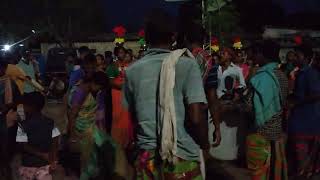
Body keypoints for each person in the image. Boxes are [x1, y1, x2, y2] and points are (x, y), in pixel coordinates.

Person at [123, 9, 209, 179]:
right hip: (181, 156)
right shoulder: (187, 65)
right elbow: (196, 116)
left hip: (146, 158)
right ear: (173, 37)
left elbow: (132, 117)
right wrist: (205, 145)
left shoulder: (132, 71)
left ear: (146, 38)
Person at [68, 71, 129, 179]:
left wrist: (102, 130)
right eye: (98, 86)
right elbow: (72, 115)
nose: (99, 89)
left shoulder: (97, 92)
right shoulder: (80, 92)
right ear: (92, 82)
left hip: (91, 126)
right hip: (81, 128)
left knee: (106, 148)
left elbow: (100, 114)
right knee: (88, 157)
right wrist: (72, 135)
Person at [244, 41, 288, 180]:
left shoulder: (261, 78)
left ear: (263, 55)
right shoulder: (282, 76)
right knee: (273, 173)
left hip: (259, 135)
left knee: (258, 174)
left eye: (256, 53)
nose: (253, 57)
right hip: (276, 134)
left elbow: (250, 109)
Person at [288, 52, 320, 179]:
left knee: (304, 161)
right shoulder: (300, 73)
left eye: (297, 55)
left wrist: (296, 102)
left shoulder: (310, 73)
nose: (294, 58)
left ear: (306, 58)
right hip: (303, 121)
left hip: (307, 123)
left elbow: (316, 94)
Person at [18, 92, 59, 180]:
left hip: (28, 166)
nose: (23, 108)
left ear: (32, 107)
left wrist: (41, 154)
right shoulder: (50, 122)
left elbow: (23, 146)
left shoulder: (22, 125)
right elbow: (55, 140)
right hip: (45, 165)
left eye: (25, 106)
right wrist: (54, 159)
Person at [106, 46, 133, 147]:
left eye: (123, 52)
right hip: (117, 93)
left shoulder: (130, 65)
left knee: (128, 115)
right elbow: (111, 82)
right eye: (120, 52)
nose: (122, 54)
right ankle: (118, 140)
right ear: (116, 54)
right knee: (118, 115)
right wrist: (124, 85)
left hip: (128, 93)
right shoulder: (112, 66)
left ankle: (128, 140)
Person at [0, 59, 21, 180]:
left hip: (7, 120)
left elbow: (18, 102)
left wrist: (8, 106)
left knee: (6, 148)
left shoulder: (10, 82)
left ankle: (6, 171)